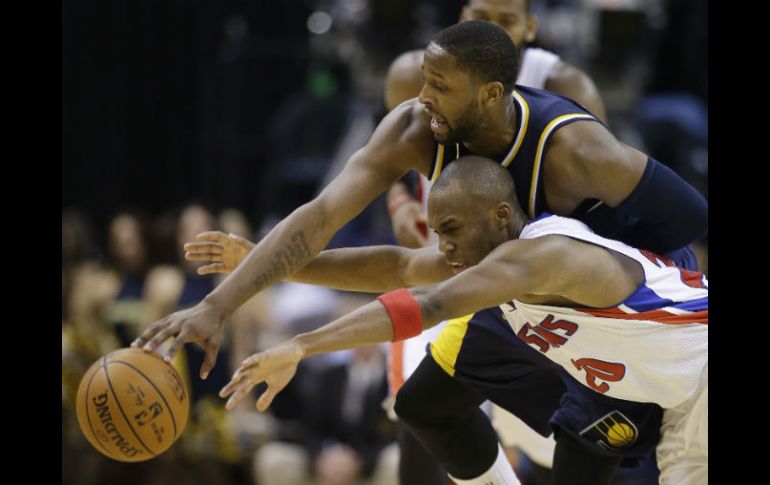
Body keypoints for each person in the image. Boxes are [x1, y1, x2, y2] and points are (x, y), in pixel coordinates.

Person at [133, 19, 707, 484]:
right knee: (423, 404)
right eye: (424, 79)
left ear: (489, 93)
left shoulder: (576, 151)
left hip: (622, 302)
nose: (422, 95)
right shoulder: (417, 130)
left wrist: (635, 281)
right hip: (528, 289)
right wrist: (229, 295)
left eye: (439, 85)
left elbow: (689, 218)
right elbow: (363, 243)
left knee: (587, 454)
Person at [218, 156, 708, 485]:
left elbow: (425, 304)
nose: (444, 246)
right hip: (672, 391)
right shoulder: (487, 259)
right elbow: (399, 267)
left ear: (500, 216)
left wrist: (302, 345)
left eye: (452, 230)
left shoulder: (544, 256)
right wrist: (269, 263)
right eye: (438, 232)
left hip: (702, 368)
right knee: (421, 404)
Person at [383, 3, 607, 480]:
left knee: (550, 441)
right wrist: (400, 203)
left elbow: (601, 203)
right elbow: (386, 159)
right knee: (418, 410)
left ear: (529, 27)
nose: (491, 26)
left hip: (529, 290)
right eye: (479, 12)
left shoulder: (565, 85)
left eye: (505, 19)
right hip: (445, 267)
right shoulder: (416, 74)